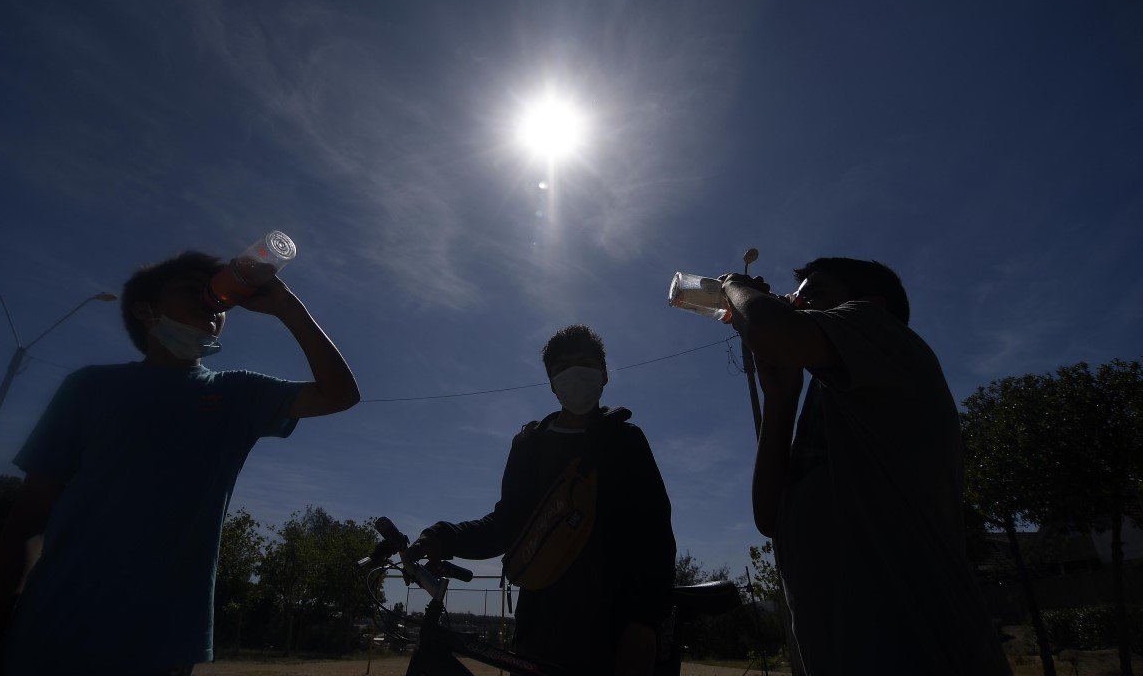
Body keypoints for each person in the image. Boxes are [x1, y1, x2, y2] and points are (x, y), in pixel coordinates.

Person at [0, 251, 362, 676]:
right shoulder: (91, 388)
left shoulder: (238, 395)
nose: (209, 300)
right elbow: (25, 524)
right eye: (191, 289)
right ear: (145, 309)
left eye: (214, 294)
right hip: (53, 627)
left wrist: (286, 307)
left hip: (164, 641)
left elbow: (340, 395)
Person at [720, 258, 1009, 675]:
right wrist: (780, 398)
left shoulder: (882, 331)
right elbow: (771, 518)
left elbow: (770, 330)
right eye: (796, 294)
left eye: (813, 293)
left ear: (871, 304)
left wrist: (736, 285)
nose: (796, 301)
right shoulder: (831, 398)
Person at [405, 325, 676, 676]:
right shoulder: (529, 446)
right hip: (539, 626)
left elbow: (655, 536)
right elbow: (505, 525)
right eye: (562, 367)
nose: (574, 374)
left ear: (605, 374)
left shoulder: (626, 441)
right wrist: (443, 536)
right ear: (550, 382)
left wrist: (644, 625)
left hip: (614, 630)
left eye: (584, 362)